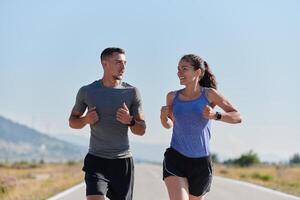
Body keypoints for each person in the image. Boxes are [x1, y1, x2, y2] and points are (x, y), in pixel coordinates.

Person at [160, 54, 242, 200]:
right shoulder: (172, 96)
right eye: (178, 69)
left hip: (201, 163)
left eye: (184, 69)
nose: (179, 73)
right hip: (175, 157)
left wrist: (215, 115)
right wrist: (163, 118)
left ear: (197, 72)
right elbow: (170, 124)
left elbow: (237, 117)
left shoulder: (210, 94)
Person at [69, 47, 146, 200]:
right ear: (104, 64)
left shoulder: (132, 92)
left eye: (125, 63)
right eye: (118, 62)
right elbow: (72, 121)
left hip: (122, 162)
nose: (123, 67)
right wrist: (85, 120)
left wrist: (130, 121)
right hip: (96, 159)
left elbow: (141, 129)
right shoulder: (87, 91)